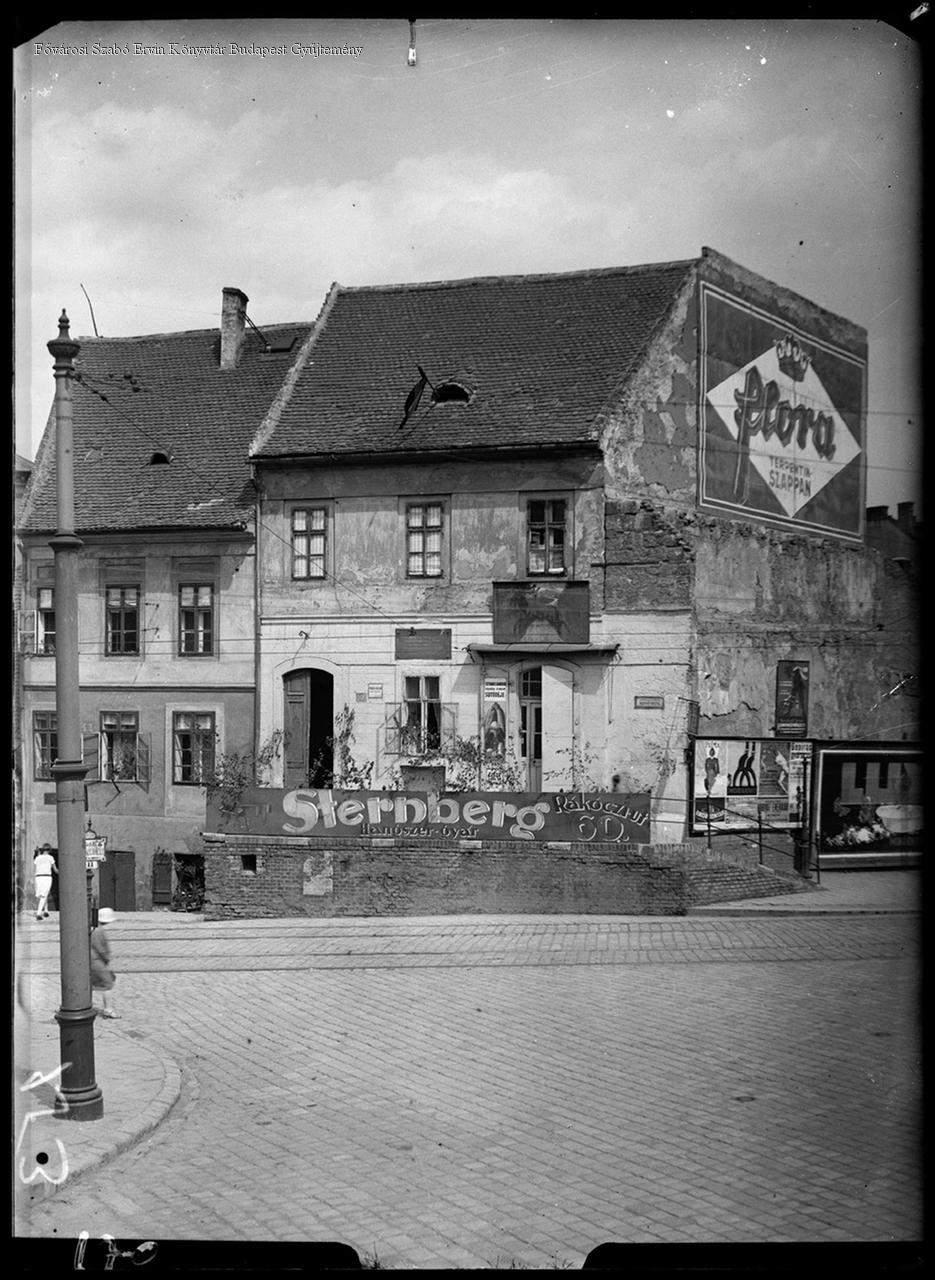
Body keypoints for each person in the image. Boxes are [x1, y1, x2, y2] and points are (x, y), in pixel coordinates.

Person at [91, 907, 119, 1018]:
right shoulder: (98, 931)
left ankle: (86, 1004)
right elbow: (100, 948)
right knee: (108, 983)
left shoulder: (95, 929)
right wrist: (107, 958)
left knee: (91, 983)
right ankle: (108, 1009)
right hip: (97, 960)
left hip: (93, 960)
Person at [33, 844, 57, 920]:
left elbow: (35, 867)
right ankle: (38, 913)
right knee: (44, 895)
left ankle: (46, 910)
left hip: (38, 877)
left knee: (43, 894)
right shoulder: (50, 858)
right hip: (47, 877)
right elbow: (55, 870)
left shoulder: (37, 858)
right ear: (49, 850)